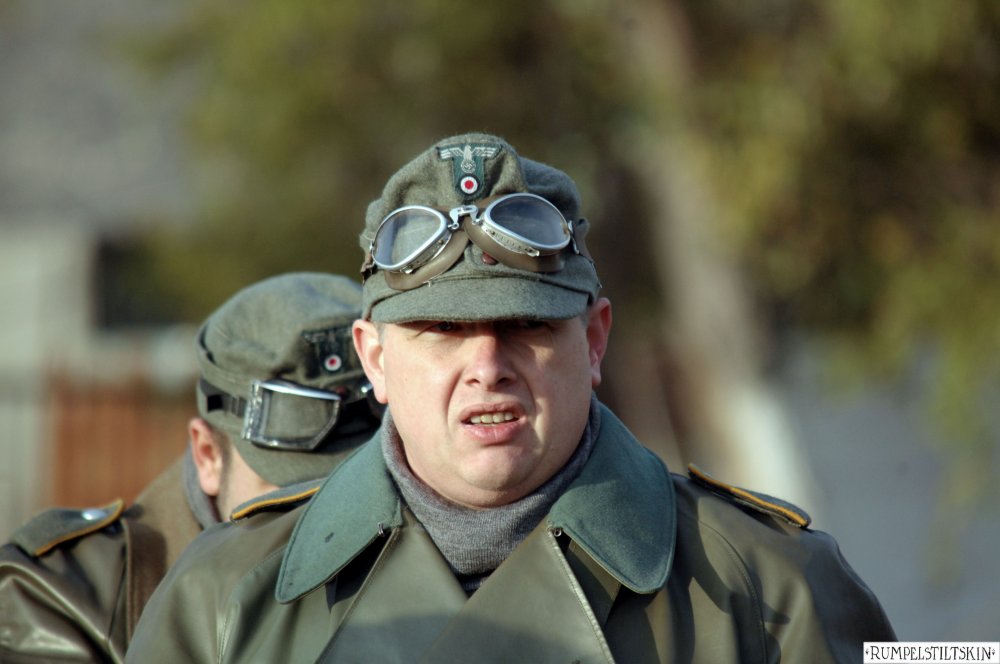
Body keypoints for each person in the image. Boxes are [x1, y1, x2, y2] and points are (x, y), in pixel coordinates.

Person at [126, 133, 895, 663]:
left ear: (594, 340)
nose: (487, 366)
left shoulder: (770, 589)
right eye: (442, 330)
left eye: (527, 326)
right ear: (375, 360)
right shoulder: (224, 600)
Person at [0, 272, 382, 663]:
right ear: (208, 456)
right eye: (288, 500)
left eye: (357, 491)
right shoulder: (61, 595)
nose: (327, 525)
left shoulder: (406, 574)